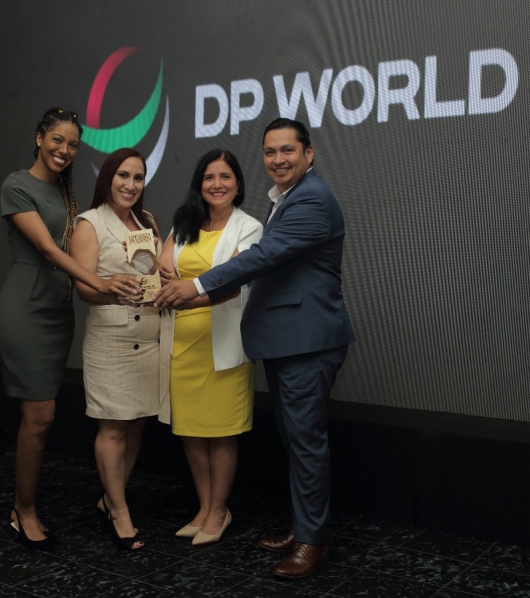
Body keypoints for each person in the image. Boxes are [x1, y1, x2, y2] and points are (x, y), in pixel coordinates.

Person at [155, 118, 355, 578]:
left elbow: (263, 257)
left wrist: (196, 284)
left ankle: (312, 542)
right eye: (270, 152)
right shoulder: (288, 197)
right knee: (296, 441)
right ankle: (305, 527)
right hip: (290, 341)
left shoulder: (311, 198)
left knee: (306, 444)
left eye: (288, 150)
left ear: (308, 154)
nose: (278, 159)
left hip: (308, 342)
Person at [0, 109, 141, 551]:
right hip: (25, 309)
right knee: (40, 417)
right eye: (57, 140)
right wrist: (100, 282)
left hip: (58, 312)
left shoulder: (65, 190)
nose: (64, 150)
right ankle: (24, 510)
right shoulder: (17, 184)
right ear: (40, 137)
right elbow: (44, 247)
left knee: (42, 417)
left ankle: (26, 504)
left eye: (73, 144)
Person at [157, 149, 262, 546]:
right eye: (209, 177)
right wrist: (181, 287)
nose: (217, 184)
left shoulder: (249, 227)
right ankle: (204, 507)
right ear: (199, 184)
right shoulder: (184, 223)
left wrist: (184, 293)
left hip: (224, 344)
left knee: (220, 433)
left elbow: (231, 281)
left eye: (225, 176)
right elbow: (163, 268)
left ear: (238, 183)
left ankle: (219, 510)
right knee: (191, 431)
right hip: (182, 344)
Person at [69, 147, 170, 551]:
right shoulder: (89, 223)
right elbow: (83, 288)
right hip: (111, 339)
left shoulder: (148, 221)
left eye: (138, 177)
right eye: (123, 176)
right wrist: (110, 288)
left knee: (138, 422)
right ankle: (120, 511)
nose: (130, 184)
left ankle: (111, 498)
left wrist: (167, 277)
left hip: (150, 336)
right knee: (112, 428)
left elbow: (157, 274)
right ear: (108, 178)